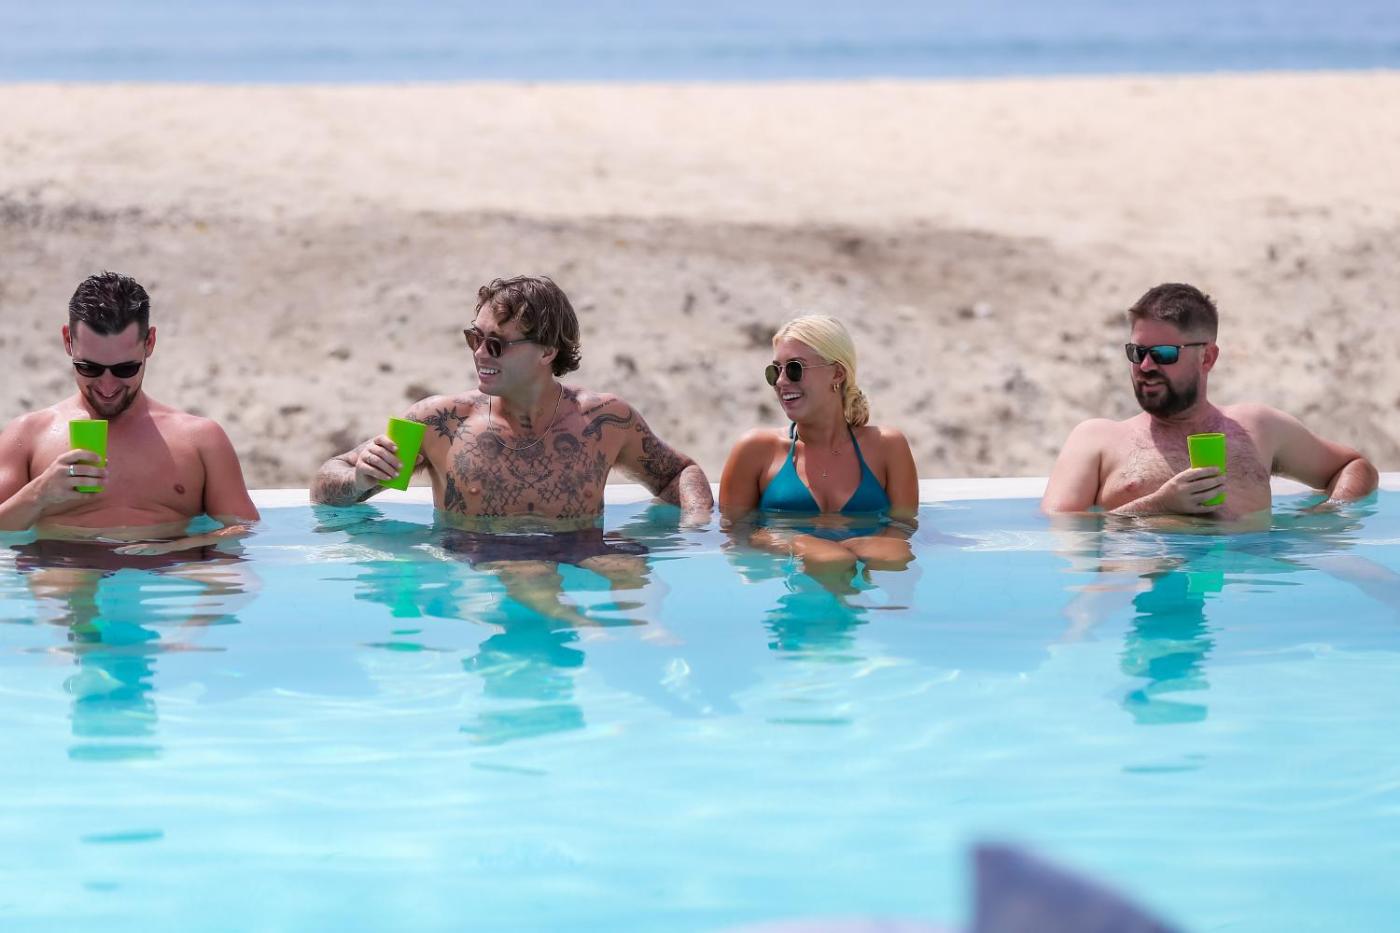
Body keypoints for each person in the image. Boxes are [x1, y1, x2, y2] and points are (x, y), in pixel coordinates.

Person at [311, 274, 713, 541]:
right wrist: (359, 481)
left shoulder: (605, 422)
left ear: (547, 352)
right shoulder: (439, 422)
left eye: (497, 344)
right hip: (476, 580)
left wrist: (695, 530)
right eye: (475, 338)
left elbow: (679, 473)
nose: (480, 353)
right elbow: (325, 485)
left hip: (573, 569)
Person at [1042, 282, 1378, 517]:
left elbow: (1354, 467)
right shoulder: (1097, 439)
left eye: (1163, 354)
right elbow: (1057, 528)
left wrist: (1328, 516)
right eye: (1137, 352)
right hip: (1140, 582)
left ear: (1207, 358)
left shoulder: (1259, 427)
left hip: (1246, 583)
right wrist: (1157, 505)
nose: (1145, 366)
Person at [0, 272, 259, 558]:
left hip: (171, 568)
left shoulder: (200, 439)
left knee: (228, 581)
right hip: (67, 566)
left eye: (125, 369)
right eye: (89, 368)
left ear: (149, 343)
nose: (107, 387)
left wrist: (173, 548)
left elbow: (242, 529)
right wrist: (40, 493)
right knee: (60, 580)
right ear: (67, 341)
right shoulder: (28, 435)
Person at [719, 314, 918, 574]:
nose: (781, 381)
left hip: (863, 591)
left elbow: (903, 528)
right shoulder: (755, 450)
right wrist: (800, 544)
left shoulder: (888, 447)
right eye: (775, 371)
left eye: (794, 368)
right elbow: (735, 533)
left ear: (837, 373)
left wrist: (860, 549)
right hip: (789, 589)